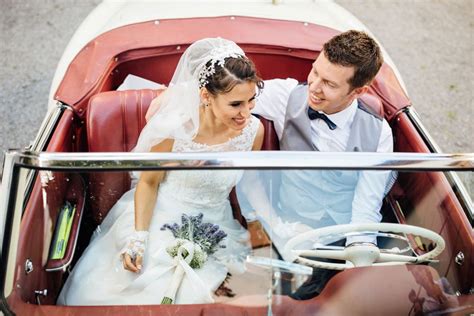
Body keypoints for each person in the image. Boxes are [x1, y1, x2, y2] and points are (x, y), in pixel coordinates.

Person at [57, 38, 264, 305]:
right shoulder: (174, 130)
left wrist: (262, 223)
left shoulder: (253, 131)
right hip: (160, 214)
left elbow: (252, 183)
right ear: (205, 96)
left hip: (215, 223)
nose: (245, 113)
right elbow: (149, 183)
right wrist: (139, 238)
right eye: (236, 104)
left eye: (251, 101)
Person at [249, 30, 394, 299]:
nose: (314, 86)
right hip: (287, 228)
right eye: (314, 71)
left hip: (342, 237)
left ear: (358, 91)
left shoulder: (379, 133)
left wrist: (357, 262)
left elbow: (366, 207)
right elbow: (228, 90)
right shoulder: (286, 95)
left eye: (329, 83)